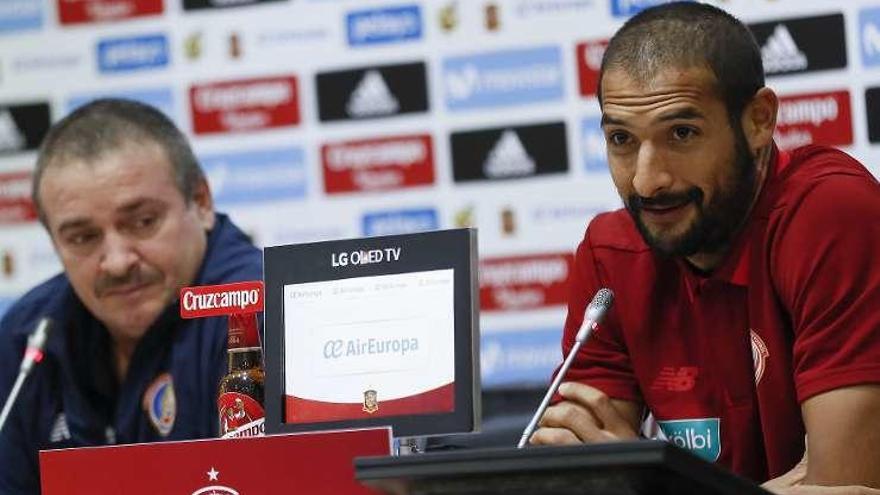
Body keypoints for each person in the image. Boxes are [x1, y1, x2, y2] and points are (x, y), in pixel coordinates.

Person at [529, 3, 880, 494]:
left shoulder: (830, 214)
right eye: (621, 139)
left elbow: (848, 487)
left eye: (682, 134)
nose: (648, 181)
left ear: (759, 121)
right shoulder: (612, 256)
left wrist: (652, 486)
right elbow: (580, 482)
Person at [0, 99, 262, 493]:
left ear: (202, 202)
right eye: (84, 238)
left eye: (143, 222)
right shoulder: (27, 336)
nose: (118, 262)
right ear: (54, 243)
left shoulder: (259, 313)